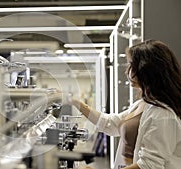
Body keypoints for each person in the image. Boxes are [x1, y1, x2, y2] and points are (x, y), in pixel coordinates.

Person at [70, 40, 181, 169]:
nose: (126, 71)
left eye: (130, 66)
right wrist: (75, 102)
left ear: (146, 70)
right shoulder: (144, 104)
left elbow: (149, 165)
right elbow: (110, 124)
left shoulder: (163, 114)